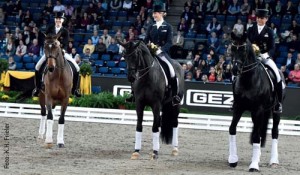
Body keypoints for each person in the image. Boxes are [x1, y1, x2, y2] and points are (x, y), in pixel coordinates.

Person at [126, 4, 181, 105]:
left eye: (155, 13)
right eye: (153, 13)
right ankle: (133, 93)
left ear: (161, 14)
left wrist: (160, 49)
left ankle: (175, 95)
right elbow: (146, 39)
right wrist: (143, 46)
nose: (154, 15)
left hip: (162, 53)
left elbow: (169, 42)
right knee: (137, 67)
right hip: (150, 52)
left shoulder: (168, 26)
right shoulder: (151, 26)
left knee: (171, 70)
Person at [32, 12, 81, 97]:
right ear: (55, 20)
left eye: (60, 19)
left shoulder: (65, 31)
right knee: (37, 66)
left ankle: (74, 90)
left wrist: (63, 50)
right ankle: (37, 88)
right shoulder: (50, 28)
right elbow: (45, 38)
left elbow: (65, 43)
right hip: (50, 52)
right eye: (57, 19)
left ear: (62, 20)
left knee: (77, 68)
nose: (58, 20)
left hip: (61, 52)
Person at [247, 9, 284, 113]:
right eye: (258, 18)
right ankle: (236, 100)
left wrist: (265, 54)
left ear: (266, 19)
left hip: (265, 58)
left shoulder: (270, 31)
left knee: (277, 76)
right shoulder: (251, 29)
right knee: (237, 73)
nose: (259, 20)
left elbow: (273, 47)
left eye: (262, 18)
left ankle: (278, 103)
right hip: (251, 58)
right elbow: (247, 43)